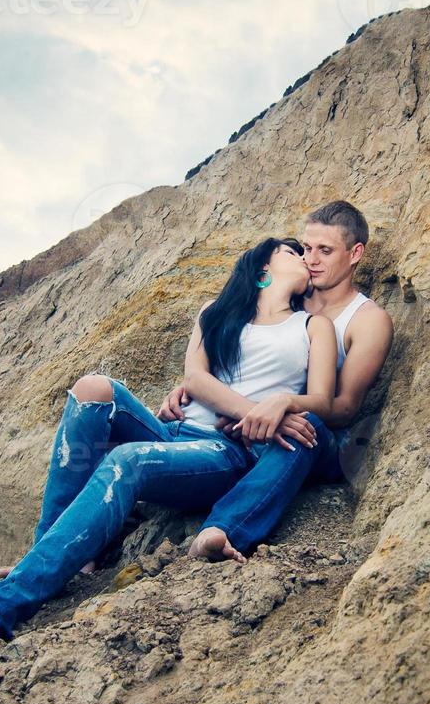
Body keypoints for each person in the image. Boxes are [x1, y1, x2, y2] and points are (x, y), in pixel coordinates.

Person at [0, 235, 337, 674]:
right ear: (261, 269)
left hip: (222, 449)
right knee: (92, 389)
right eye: (293, 252)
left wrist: (276, 409)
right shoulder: (215, 315)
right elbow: (195, 380)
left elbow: (324, 401)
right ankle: (52, 551)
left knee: (127, 460)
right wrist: (253, 408)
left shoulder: (312, 326)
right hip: (173, 431)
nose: (306, 258)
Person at [160, 200, 393, 561]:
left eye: (325, 251)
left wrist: (282, 404)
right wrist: (202, 389)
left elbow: (345, 408)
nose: (311, 259)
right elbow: (252, 356)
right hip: (258, 429)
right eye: (306, 248)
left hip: (315, 438)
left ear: (355, 253)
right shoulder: (290, 296)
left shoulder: (367, 319)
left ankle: (224, 529)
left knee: (308, 423)